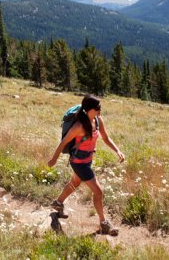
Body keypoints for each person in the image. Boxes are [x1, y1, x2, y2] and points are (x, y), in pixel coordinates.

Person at [47, 94, 125, 236]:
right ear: (89, 109)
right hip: (78, 163)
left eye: (100, 107)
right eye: (97, 108)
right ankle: (103, 223)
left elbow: (106, 138)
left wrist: (117, 150)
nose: (100, 110)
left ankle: (58, 203)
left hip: (87, 160)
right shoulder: (79, 126)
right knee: (98, 192)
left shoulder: (97, 120)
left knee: (75, 183)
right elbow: (63, 143)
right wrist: (54, 159)